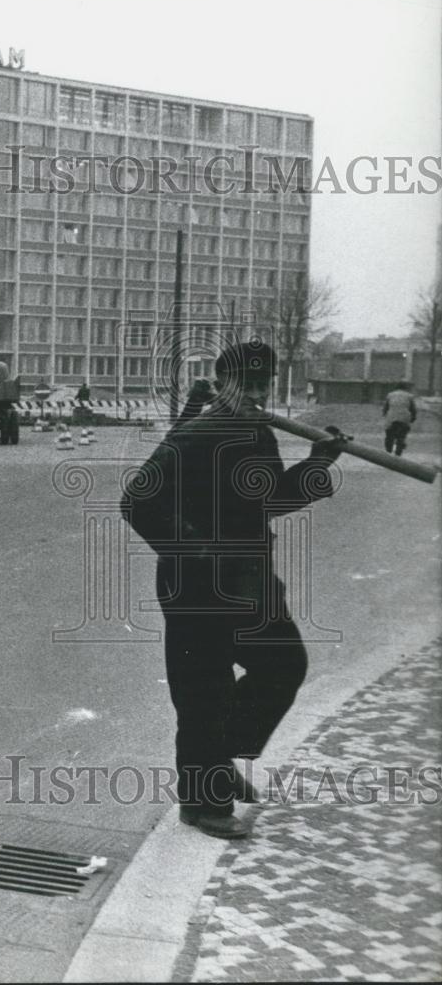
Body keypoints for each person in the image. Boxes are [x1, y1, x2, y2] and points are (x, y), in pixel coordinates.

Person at [121, 340, 343, 840]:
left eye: (264, 387)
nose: (256, 395)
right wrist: (198, 552)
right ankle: (203, 804)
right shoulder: (199, 433)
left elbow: (269, 499)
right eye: (247, 386)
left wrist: (318, 463)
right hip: (198, 585)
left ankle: (218, 760)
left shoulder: (257, 432)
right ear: (222, 385)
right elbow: (137, 501)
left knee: (285, 664)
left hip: (249, 581)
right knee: (204, 693)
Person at [382, 381, 416, 456]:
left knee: (389, 436)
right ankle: (398, 454)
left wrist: (385, 416)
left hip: (391, 418)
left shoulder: (390, 395)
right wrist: (413, 418)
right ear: (405, 388)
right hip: (404, 418)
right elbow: (413, 409)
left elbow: (385, 408)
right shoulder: (409, 396)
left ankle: (388, 452)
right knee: (401, 436)